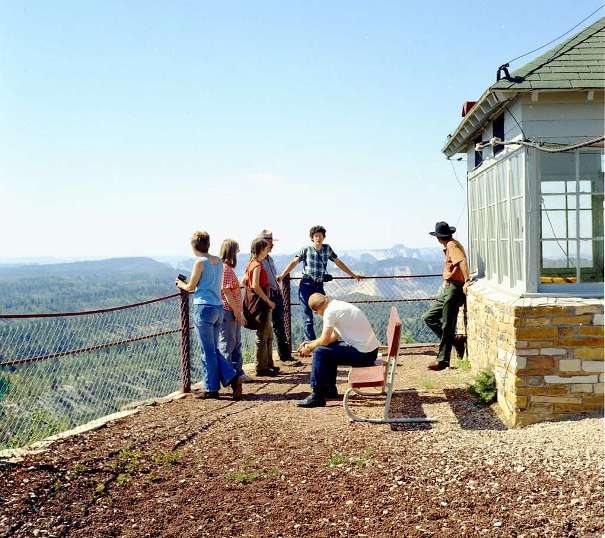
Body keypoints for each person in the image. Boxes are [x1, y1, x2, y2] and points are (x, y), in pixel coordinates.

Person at [176, 231, 242, 400]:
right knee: (212, 349)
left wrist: (180, 284)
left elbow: (191, 287)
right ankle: (229, 378)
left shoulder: (200, 262)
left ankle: (213, 387)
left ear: (194, 246)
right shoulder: (218, 261)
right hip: (218, 307)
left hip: (203, 308)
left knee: (207, 351)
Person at [296, 293, 381, 408]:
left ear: (317, 311)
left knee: (320, 352)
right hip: (370, 351)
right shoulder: (336, 305)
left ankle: (317, 395)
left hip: (365, 355)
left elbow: (325, 340)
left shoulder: (329, 312)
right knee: (327, 350)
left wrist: (310, 348)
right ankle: (329, 389)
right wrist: (310, 343)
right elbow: (334, 337)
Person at [279, 225, 362, 343]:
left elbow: (338, 262)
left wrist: (353, 274)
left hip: (319, 285)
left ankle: (328, 340)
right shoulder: (306, 249)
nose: (318, 238)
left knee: (328, 312)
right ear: (312, 238)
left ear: (324, 237)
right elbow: (294, 262)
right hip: (306, 285)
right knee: (307, 316)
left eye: (320, 236)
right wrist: (282, 275)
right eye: (316, 236)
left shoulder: (327, 249)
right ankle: (310, 344)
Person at [422, 221, 470, 371]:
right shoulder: (451, 244)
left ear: (438, 237)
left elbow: (462, 261)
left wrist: (467, 281)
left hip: (454, 288)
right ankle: (456, 340)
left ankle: (443, 360)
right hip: (449, 288)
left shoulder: (451, 245)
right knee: (429, 317)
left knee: (448, 325)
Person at [257, 229, 300, 365]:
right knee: (270, 329)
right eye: (269, 242)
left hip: (275, 294)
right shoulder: (258, 261)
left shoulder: (269, 259)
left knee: (279, 325)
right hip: (268, 296)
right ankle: (273, 360)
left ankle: (283, 356)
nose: (271, 245)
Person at [244, 237, 278, 376]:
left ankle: (268, 363)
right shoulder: (257, 265)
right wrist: (268, 301)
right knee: (263, 335)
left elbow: (246, 281)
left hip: (260, 302)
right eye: (265, 248)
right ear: (260, 250)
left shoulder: (251, 263)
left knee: (267, 334)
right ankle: (261, 367)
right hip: (262, 303)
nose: (267, 250)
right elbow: (255, 286)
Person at [218, 239, 251, 383]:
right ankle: (228, 376)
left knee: (235, 342)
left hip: (233, 311)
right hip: (228, 311)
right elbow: (227, 292)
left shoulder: (227, 269)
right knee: (228, 344)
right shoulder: (225, 269)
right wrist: (238, 312)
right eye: (236, 251)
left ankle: (237, 373)